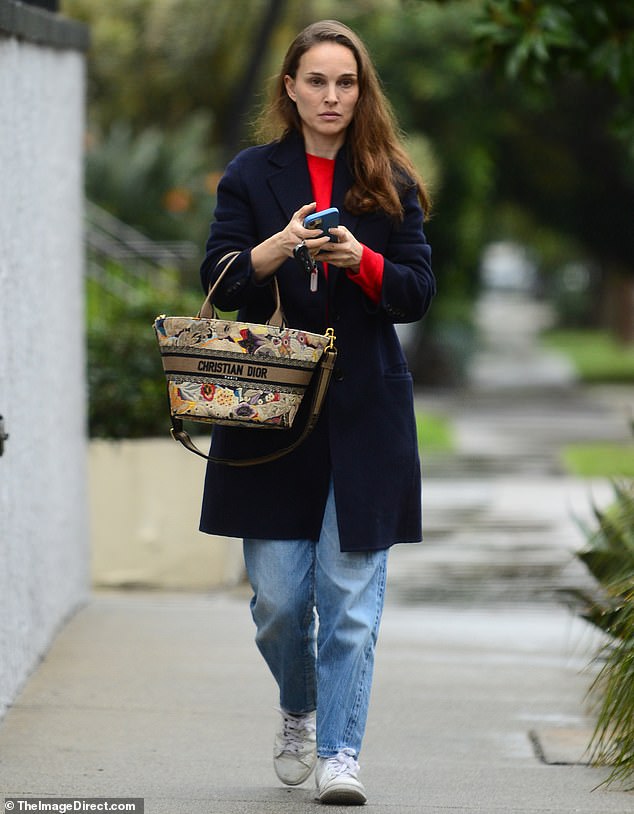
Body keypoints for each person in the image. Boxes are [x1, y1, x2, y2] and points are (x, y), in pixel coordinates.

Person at [199, 19, 435, 806]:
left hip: (366, 413)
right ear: (291, 90)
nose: (332, 96)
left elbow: (416, 292)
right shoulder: (249, 174)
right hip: (269, 409)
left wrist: (358, 260)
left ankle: (340, 751)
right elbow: (222, 278)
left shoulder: (390, 179)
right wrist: (280, 246)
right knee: (278, 603)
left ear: (361, 92)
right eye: (318, 81)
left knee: (349, 604)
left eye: (346, 82)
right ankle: (298, 706)